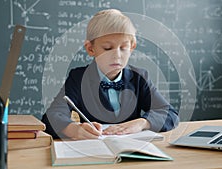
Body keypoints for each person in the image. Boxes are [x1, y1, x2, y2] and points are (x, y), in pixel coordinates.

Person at [41, 9, 179, 140]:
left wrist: (142, 123)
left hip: (132, 151)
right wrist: (75, 129)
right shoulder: (78, 78)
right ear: (90, 49)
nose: (117, 56)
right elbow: (51, 117)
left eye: (123, 48)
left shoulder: (140, 77)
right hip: (94, 151)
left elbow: (170, 114)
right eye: (107, 48)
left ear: (132, 47)